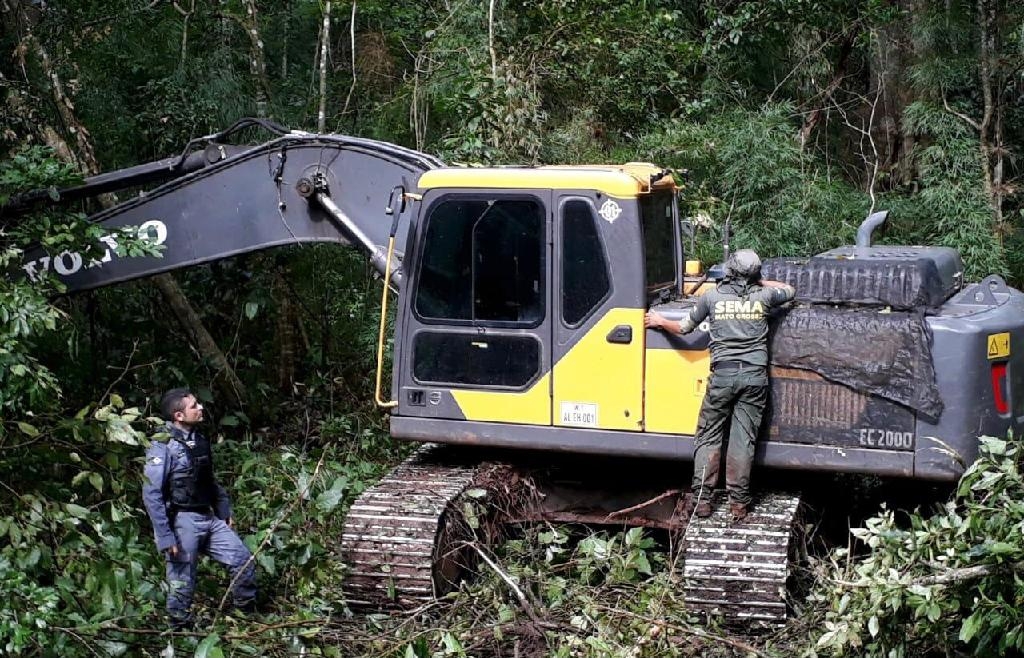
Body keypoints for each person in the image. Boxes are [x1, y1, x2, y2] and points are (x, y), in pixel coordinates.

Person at [645, 250, 795, 522]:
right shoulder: (764, 297)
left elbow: (684, 328)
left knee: (709, 436)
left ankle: (702, 502)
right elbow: (789, 290)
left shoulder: (712, 297)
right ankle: (738, 505)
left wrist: (659, 321)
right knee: (743, 440)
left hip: (722, 377)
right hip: (754, 378)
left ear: (730, 271)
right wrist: (760, 283)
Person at [142, 388, 257, 629]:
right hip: (183, 521)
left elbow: (207, 479)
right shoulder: (162, 445)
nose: (201, 408)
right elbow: (151, 492)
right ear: (179, 416)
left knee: (242, 559)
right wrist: (164, 535)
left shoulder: (199, 440)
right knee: (182, 579)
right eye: (194, 406)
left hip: (208, 516)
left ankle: (246, 616)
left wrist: (223, 509)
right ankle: (179, 630)